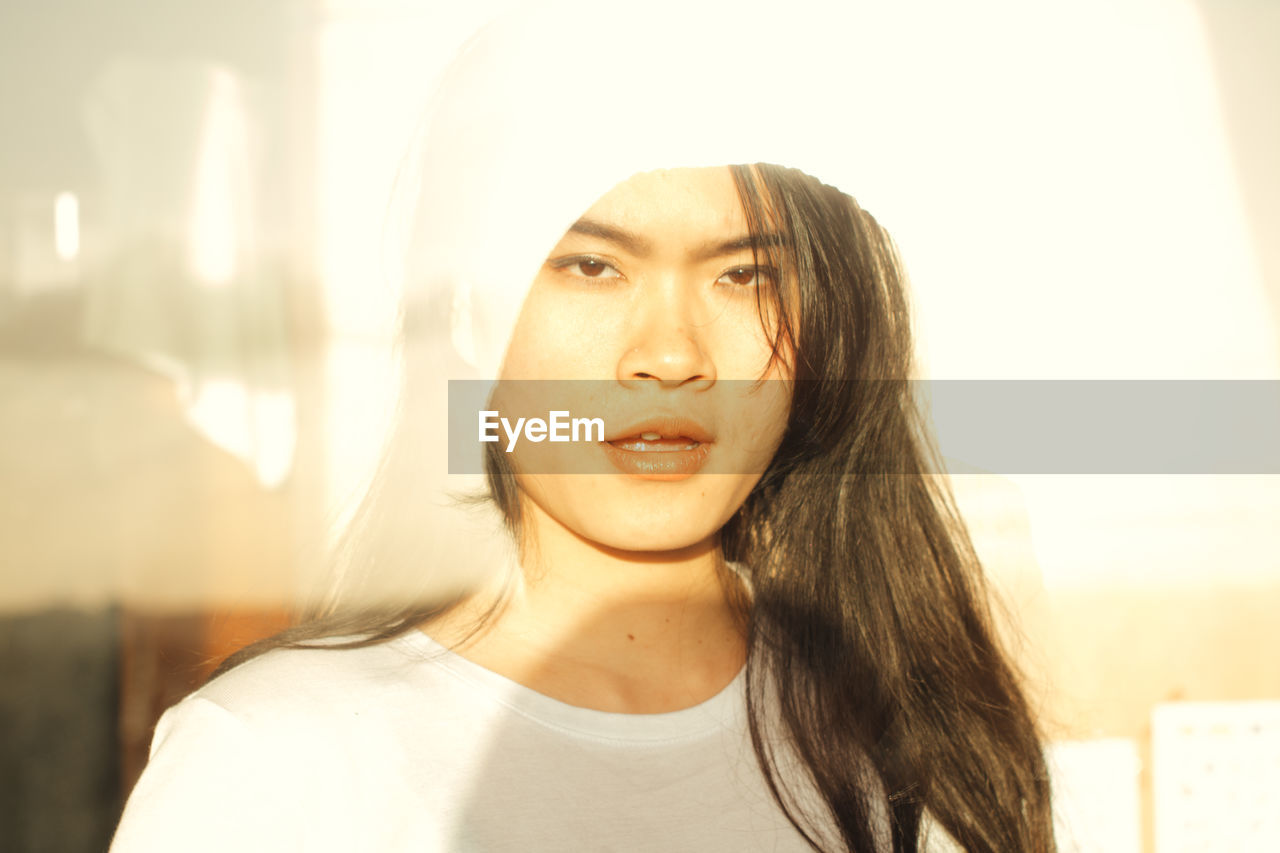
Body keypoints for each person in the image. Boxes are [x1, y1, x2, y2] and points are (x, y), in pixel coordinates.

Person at [113, 4, 1056, 852]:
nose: (671, 354)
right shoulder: (277, 764)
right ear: (467, 311)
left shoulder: (924, 750)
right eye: (592, 266)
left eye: (743, 276)